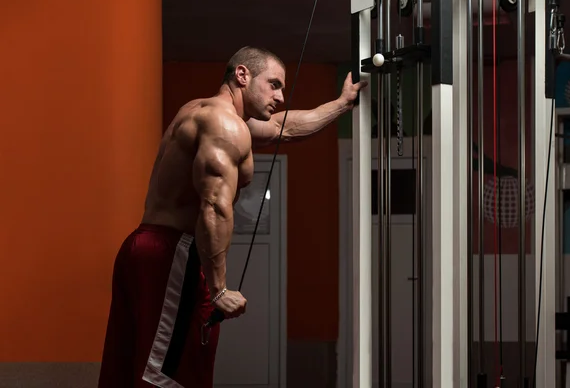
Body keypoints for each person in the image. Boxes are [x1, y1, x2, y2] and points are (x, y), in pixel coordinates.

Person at [98, 46, 368, 388]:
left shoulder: (202, 112)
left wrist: (341, 104)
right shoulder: (226, 126)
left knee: (129, 369)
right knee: (168, 375)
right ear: (242, 75)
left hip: (142, 247)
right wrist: (219, 287)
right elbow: (214, 204)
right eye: (273, 84)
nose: (281, 96)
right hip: (171, 253)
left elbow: (287, 127)